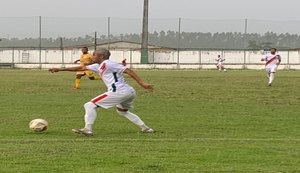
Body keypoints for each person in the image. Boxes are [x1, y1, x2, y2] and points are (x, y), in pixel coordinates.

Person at [49, 48, 154, 136]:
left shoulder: (108, 64)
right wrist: (59, 69)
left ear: (101, 57)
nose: (92, 57)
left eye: (94, 56)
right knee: (123, 111)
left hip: (118, 92)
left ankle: (87, 129)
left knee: (89, 105)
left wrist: (142, 83)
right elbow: (81, 67)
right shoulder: (98, 65)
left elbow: (128, 70)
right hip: (128, 92)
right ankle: (146, 128)